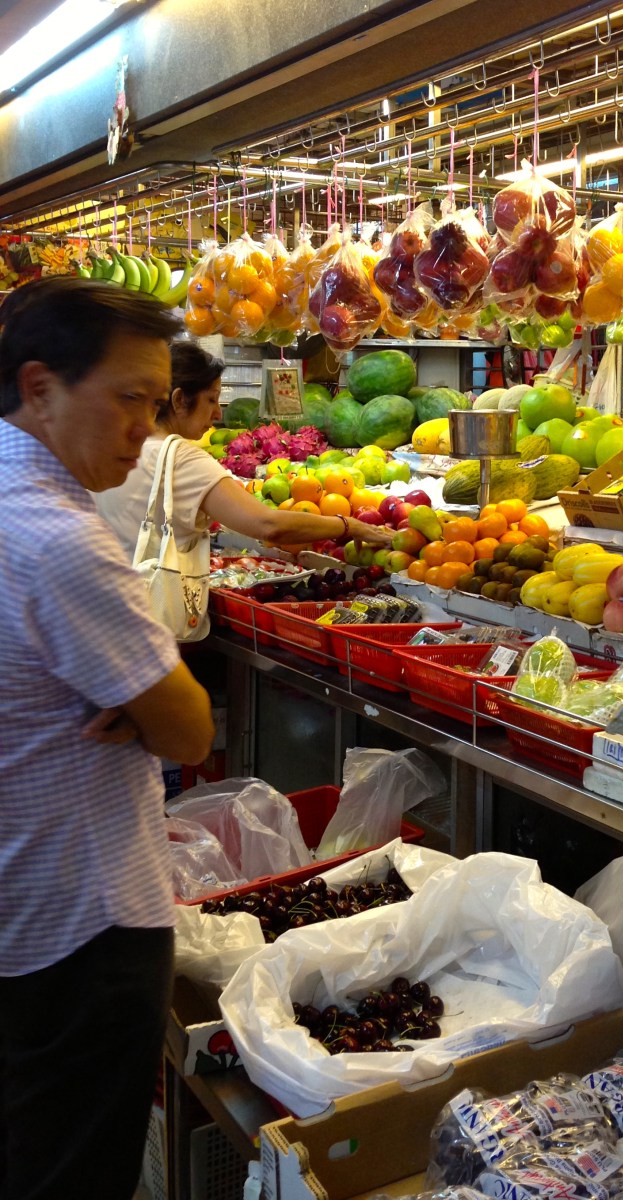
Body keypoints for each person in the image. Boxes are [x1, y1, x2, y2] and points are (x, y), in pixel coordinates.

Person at [0, 278, 216, 1200]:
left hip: (20, 899)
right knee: (71, 1168)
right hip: (80, 923)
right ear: (40, 387)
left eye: (158, 402)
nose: (147, 427)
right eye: (129, 398)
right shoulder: (59, 541)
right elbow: (192, 729)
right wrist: (153, 700)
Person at [95, 339, 392, 562]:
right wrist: (347, 525)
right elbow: (268, 525)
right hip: (154, 607)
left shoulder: (116, 449)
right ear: (179, 400)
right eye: (211, 400)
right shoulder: (182, 459)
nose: (216, 414)